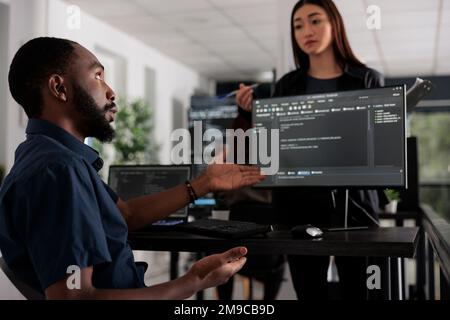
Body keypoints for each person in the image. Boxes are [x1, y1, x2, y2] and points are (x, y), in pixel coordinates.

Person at [0, 37, 266, 299]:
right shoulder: (59, 170)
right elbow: (73, 298)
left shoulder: (51, 158)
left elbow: (124, 215)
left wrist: (205, 182)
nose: (111, 91)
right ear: (59, 88)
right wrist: (193, 281)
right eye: (97, 76)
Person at [235, 0, 388, 300]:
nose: (307, 30)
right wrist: (252, 115)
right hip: (298, 209)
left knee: (362, 293)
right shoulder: (286, 85)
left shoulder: (368, 79)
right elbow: (273, 152)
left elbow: (379, 151)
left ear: (334, 24)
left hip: (354, 210)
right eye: (298, 25)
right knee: (310, 294)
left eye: (315, 21)